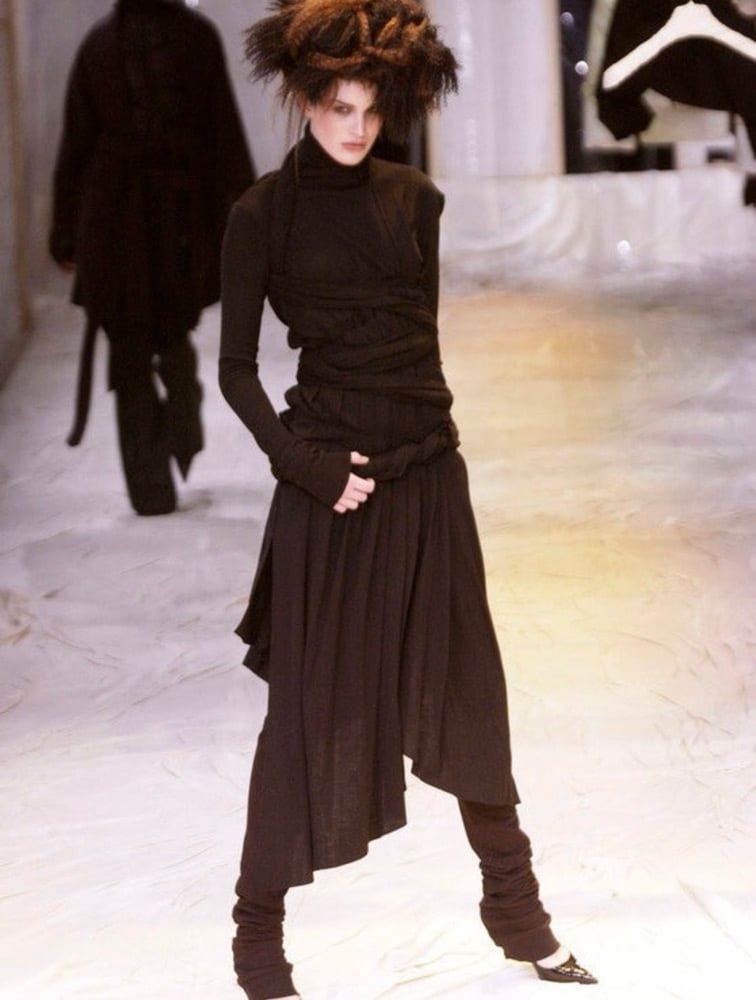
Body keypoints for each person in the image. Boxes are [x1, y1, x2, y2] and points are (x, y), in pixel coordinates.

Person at [219, 2, 597, 997]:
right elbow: (236, 370)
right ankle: (256, 945)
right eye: (337, 107)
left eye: (371, 109)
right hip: (329, 493)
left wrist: (427, 456)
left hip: (429, 478)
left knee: (469, 691)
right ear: (306, 100)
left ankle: (518, 915)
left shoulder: (415, 199)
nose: (356, 127)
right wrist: (308, 468)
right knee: (304, 714)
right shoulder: (261, 215)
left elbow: (414, 355)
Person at [50, 0, 255, 515]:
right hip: (132, 219)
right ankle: (154, 482)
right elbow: (80, 142)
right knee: (138, 347)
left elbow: (221, 131)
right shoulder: (125, 43)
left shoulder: (116, 43)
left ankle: (168, 454)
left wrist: (66, 233)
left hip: (154, 220)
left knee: (156, 341)